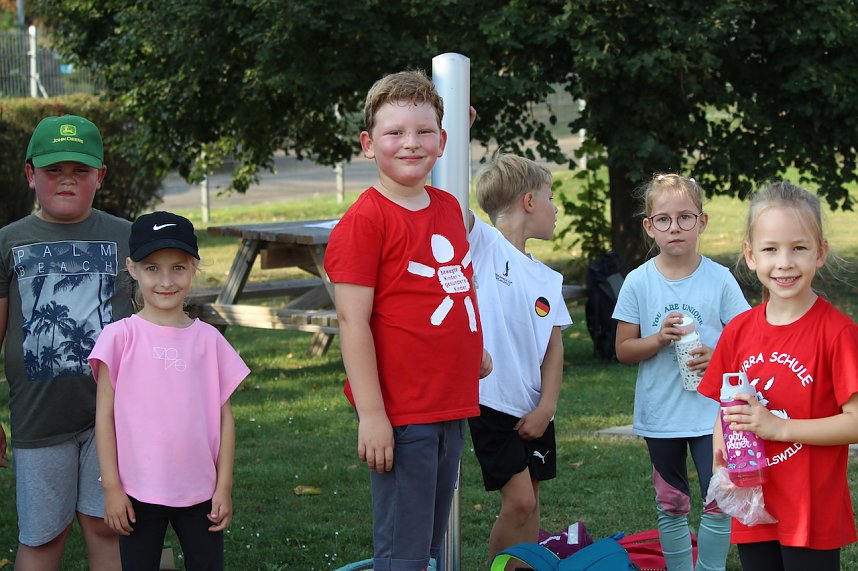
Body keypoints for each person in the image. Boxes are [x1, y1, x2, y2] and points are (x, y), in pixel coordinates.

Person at [324, 70, 490, 571]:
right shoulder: (364, 223)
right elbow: (353, 325)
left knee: (431, 545)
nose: (410, 144)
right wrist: (374, 416)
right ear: (368, 144)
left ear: (442, 141)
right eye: (394, 133)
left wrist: (472, 347)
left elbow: (452, 283)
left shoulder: (447, 207)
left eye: (424, 133)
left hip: (450, 402)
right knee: (404, 551)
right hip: (402, 412)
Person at [697, 181, 858, 571]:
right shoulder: (738, 331)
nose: (784, 262)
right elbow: (726, 407)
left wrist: (779, 429)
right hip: (756, 506)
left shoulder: (836, 332)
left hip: (810, 510)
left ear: (820, 253)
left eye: (798, 248)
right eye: (770, 249)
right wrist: (724, 462)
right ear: (751, 256)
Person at [0, 114, 132, 570]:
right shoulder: (8, 243)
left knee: (107, 528)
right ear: (31, 174)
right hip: (39, 419)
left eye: (80, 171)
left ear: (100, 176)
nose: (67, 181)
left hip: (113, 418)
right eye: (54, 170)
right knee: (42, 537)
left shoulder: (129, 237)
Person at [89, 211, 250, 570]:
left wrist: (223, 487)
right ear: (132, 268)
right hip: (137, 492)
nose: (166, 280)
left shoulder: (209, 340)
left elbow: (225, 420)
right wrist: (113, 489)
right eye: (152, 268)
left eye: (178, 267)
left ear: (194, 268)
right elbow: (104, 419)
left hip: (200, 493)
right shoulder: (119, 338)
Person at [612, 173, 750, 571]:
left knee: (718, 497)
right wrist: (657, 339)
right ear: (649, 226)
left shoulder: (719, 279)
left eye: (686, 218)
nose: (675, 228)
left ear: (702, 222)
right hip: (661, 417)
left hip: (712, 416)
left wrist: (717, 354)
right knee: (671, 501)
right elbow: (623, 350)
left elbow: (746, 341)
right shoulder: (639, 282)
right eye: (665, 220)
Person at [465, 154, 572, 563]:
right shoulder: (484, 245)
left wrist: (547, 407)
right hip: (491, 403)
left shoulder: (548, 278)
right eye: (550, 197)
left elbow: (554, 348)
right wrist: (453, 124)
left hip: (534, 410)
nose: (556, 207)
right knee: (520, 502)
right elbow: (450, 199)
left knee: (533, 502)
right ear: (529, 201)